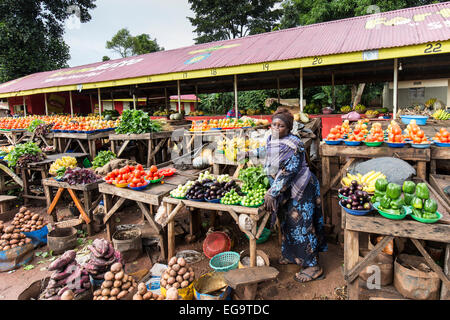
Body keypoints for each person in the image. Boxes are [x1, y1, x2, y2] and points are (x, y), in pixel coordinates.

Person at [247, 107, 327, 283]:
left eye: (281, 126)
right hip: (286, 190)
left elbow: (288, 172)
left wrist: (272, 192)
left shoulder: (294, 145)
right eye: (273, 124)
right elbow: (265, 150)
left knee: (302, 226)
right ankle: (292, 256)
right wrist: (248, 153)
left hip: (301, 188)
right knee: (287, 223)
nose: (276, 128)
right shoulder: (272, 140)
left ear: (288, 129)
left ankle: (313, 266)